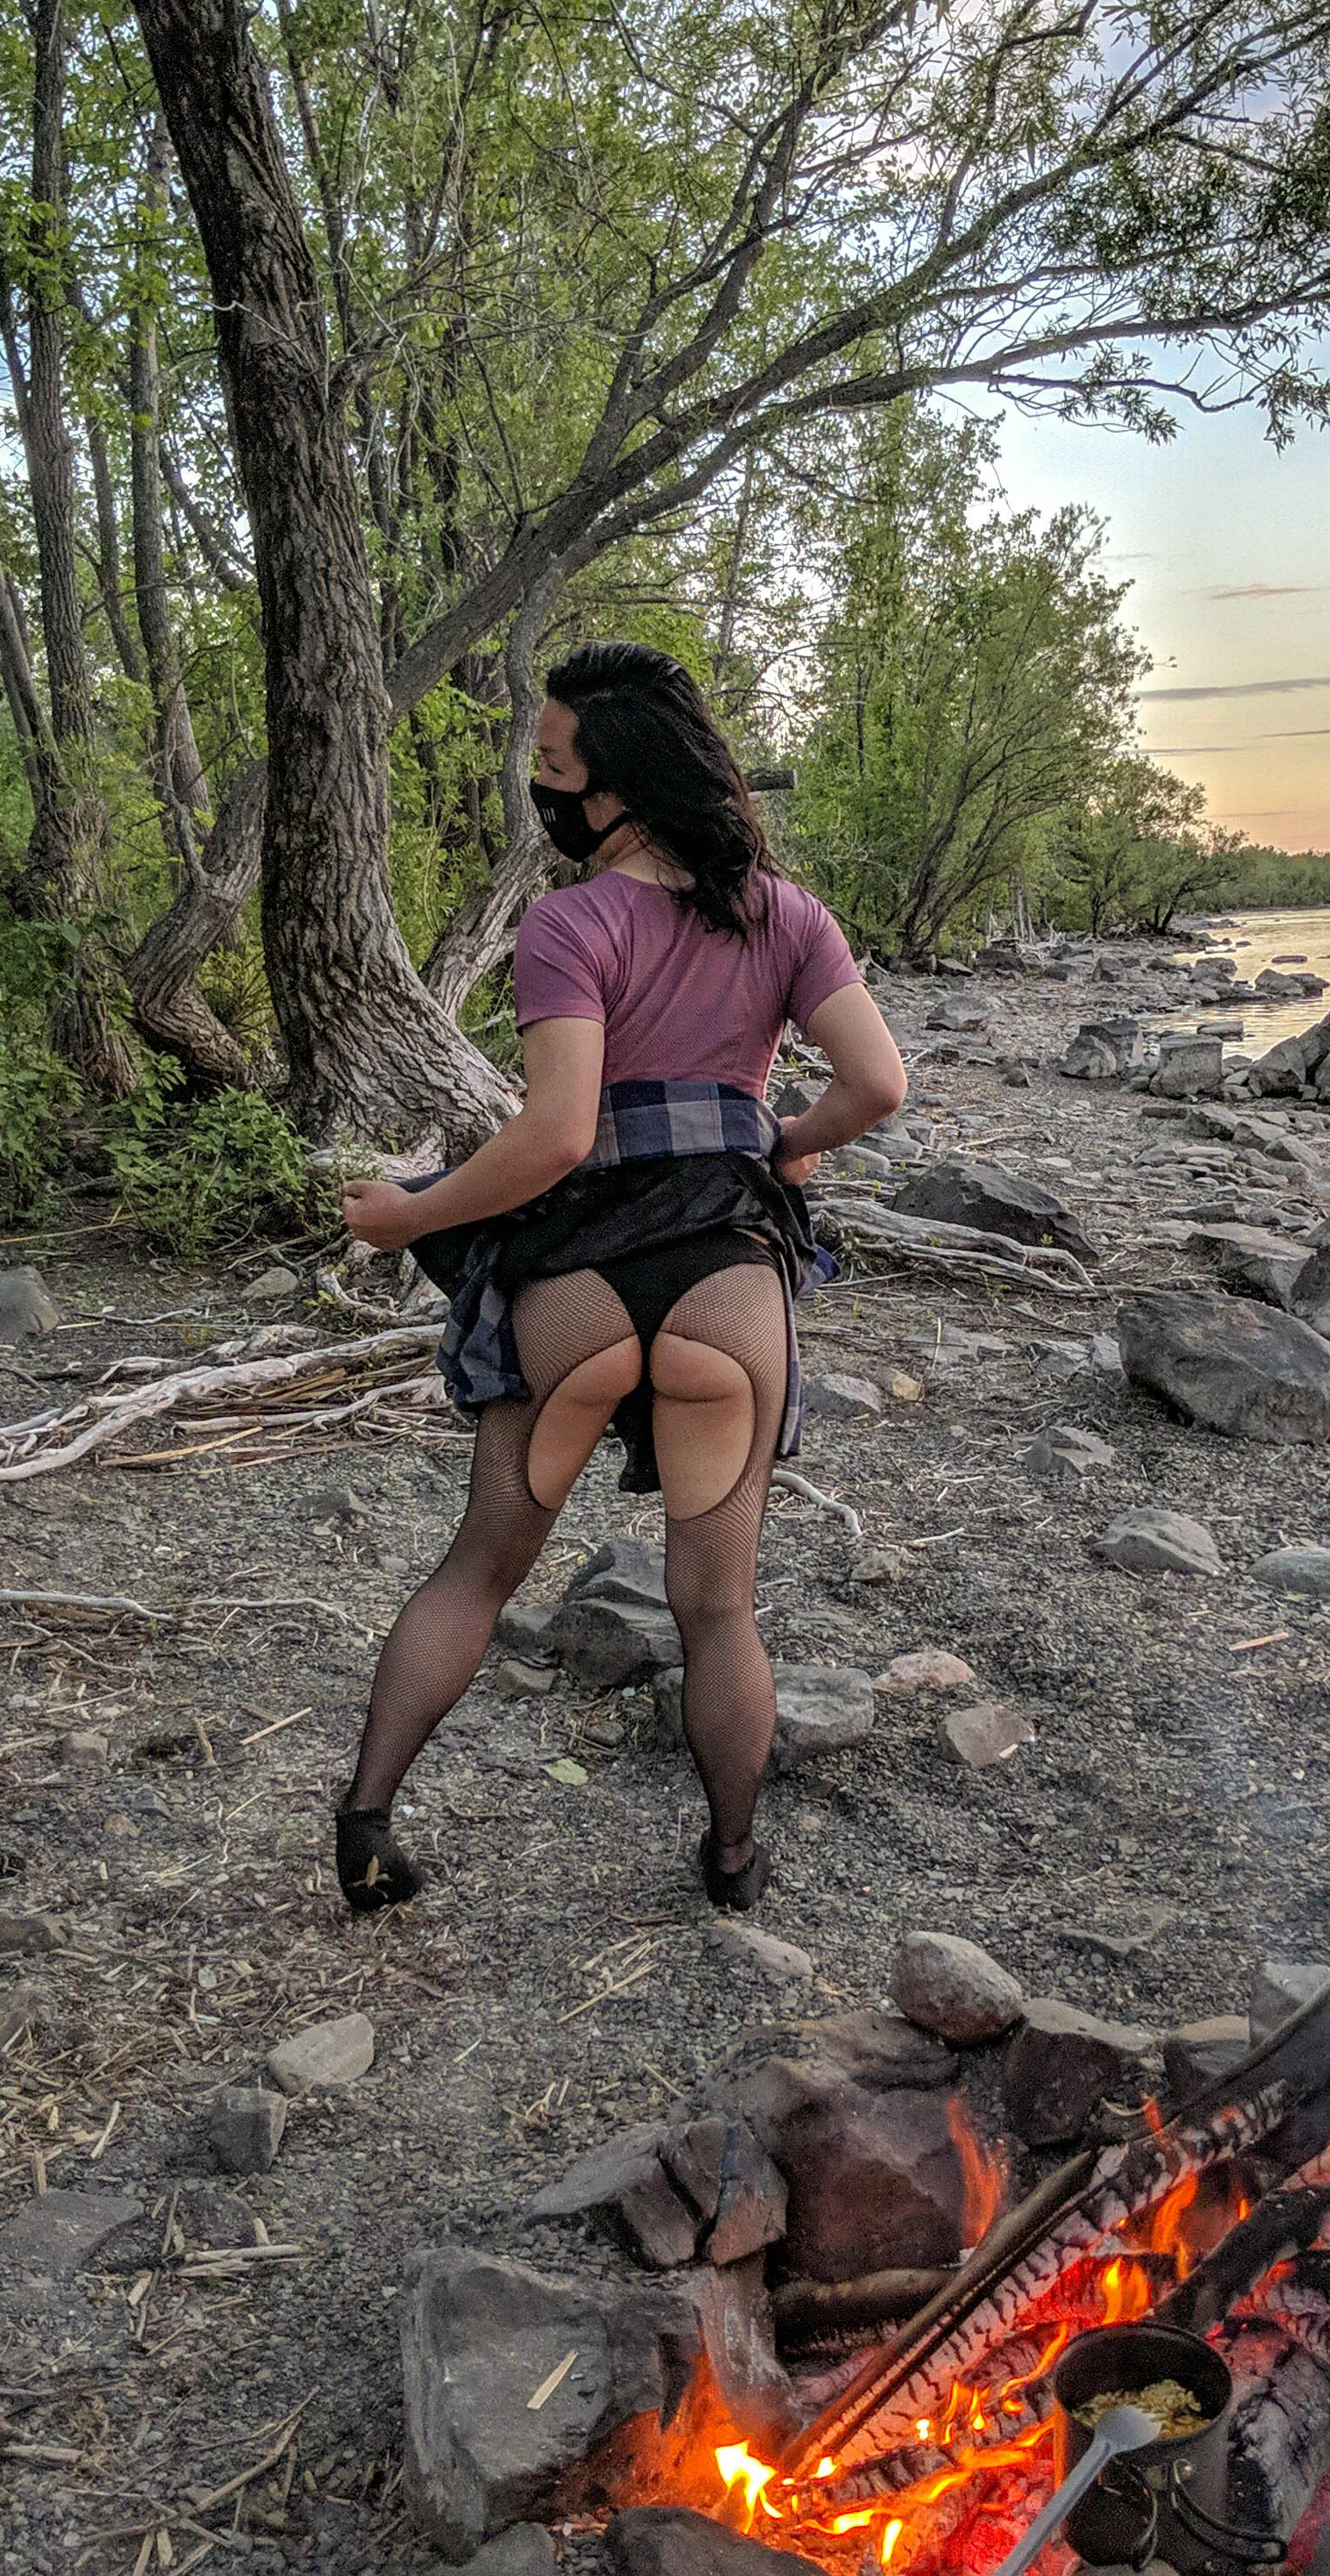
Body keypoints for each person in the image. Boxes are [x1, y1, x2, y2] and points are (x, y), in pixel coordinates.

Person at [334, 642, 907, 1919]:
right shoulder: (786, 914)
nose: (540, 791)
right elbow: (880, 1084)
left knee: (478, 1570)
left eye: (552, 768)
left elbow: (555, 1137)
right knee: (717, 1609)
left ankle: (369, 1827)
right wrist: (786, 1148)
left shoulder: (572, 922)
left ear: (619, 786)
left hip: (581, 1287)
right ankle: (733, 1860)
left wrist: (404, 1219)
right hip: (723, 1288)